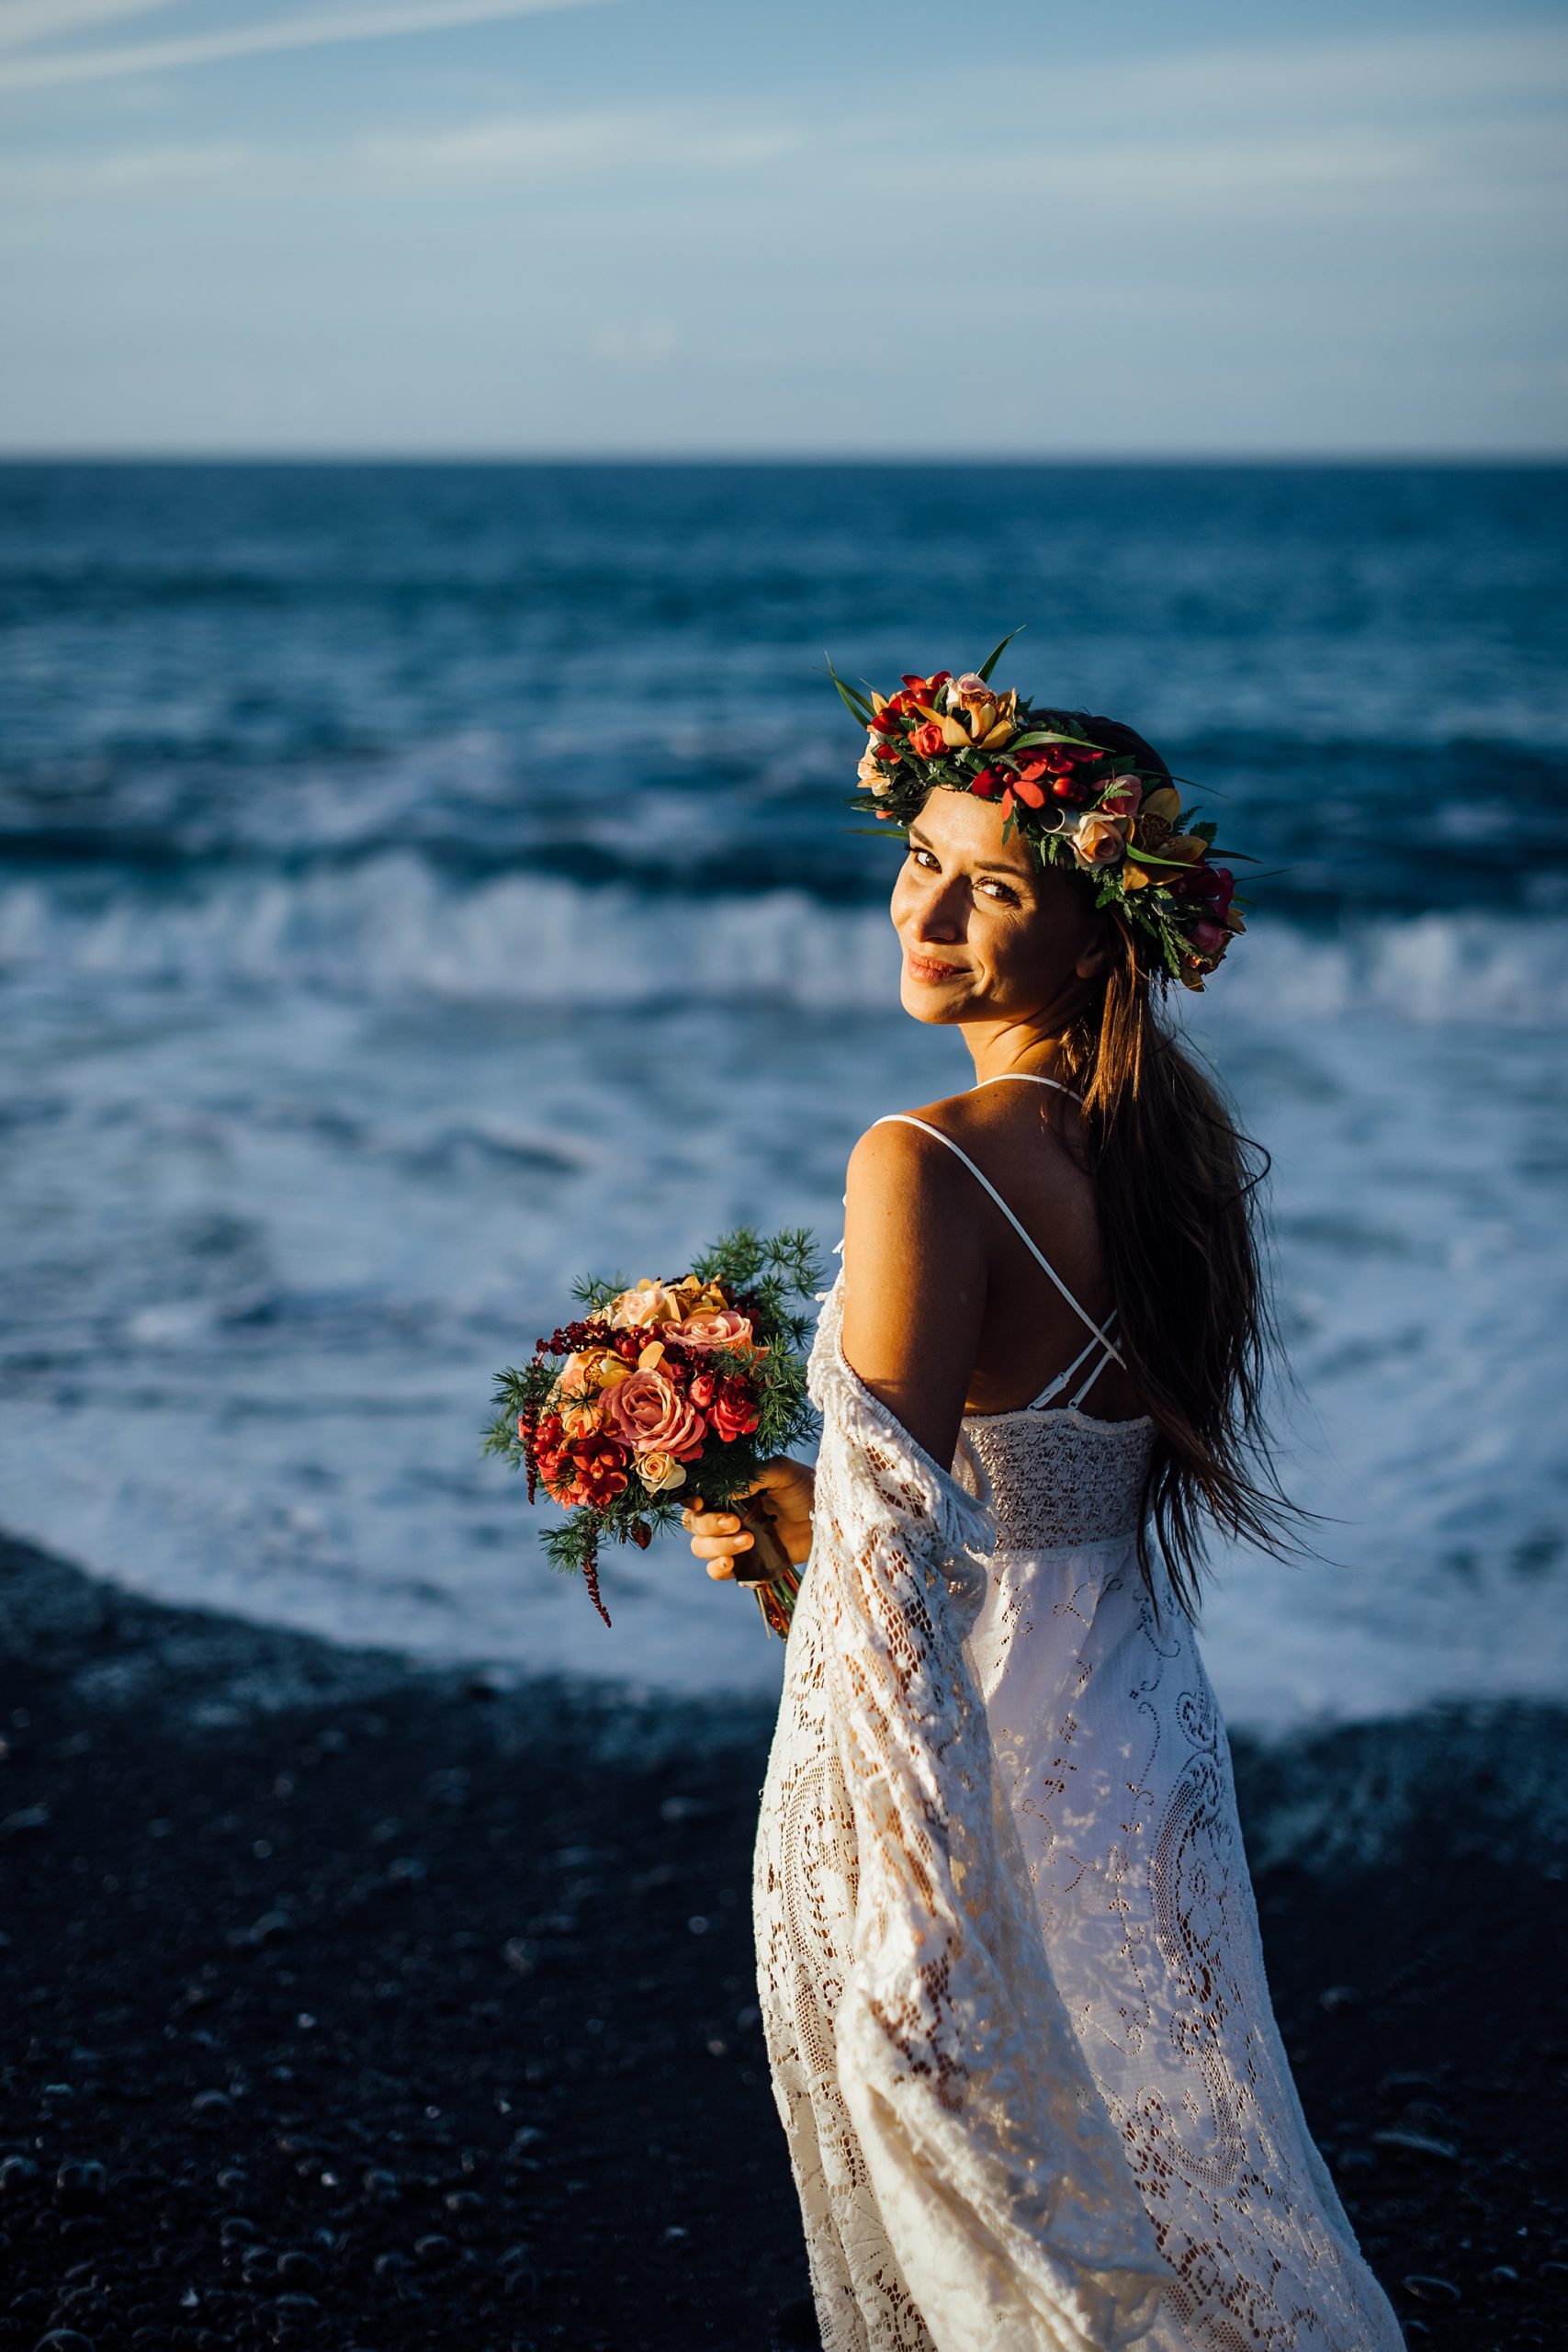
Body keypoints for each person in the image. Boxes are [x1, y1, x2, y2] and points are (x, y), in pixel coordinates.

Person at [684, 662, 1404, 2351]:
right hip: (1137, 1719)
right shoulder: (1180, 1152)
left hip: (969, 1738)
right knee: (1179, 2151)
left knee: (984, 2149)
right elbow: (1055, 1476)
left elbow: (891, 1575)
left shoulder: (919, 1162)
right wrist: (808, 1506)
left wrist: (910, 1887)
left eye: (991, 886)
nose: (922, 912)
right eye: (922, 858)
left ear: (1096, 936)